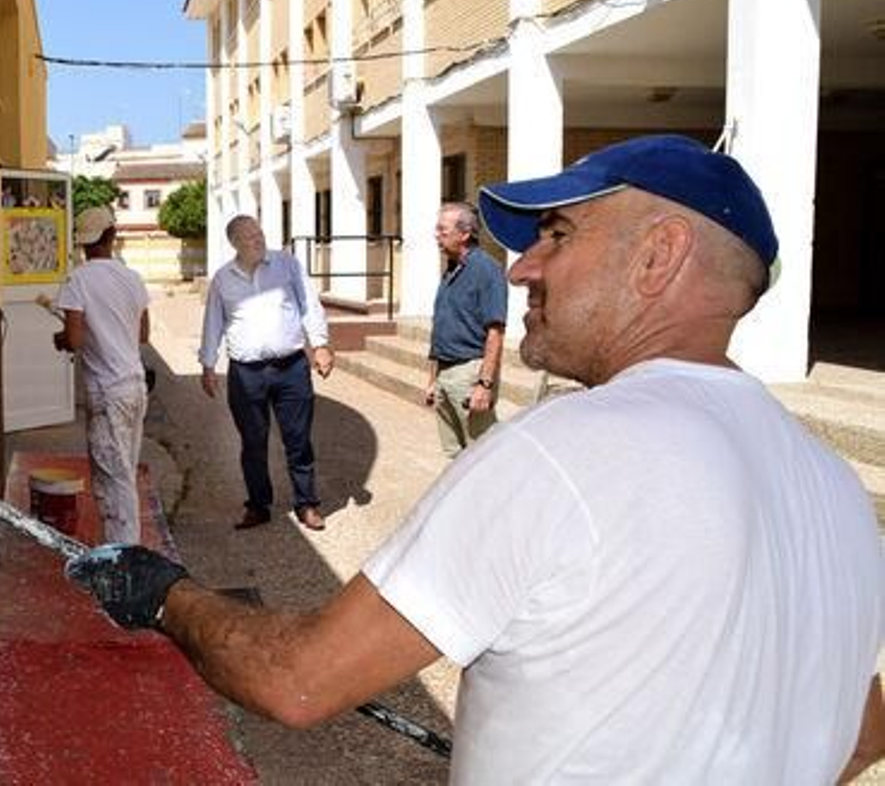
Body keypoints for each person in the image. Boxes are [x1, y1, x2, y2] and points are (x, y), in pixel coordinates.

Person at [68, 135, 885, 782]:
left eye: (558, 235)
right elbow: (863, 725)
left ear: (659, 255)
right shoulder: (834, 486)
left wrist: (166, 595)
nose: (524, 266)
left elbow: (299, 678)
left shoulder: (566, 449)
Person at [198, 214, 336, 532]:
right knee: (253, 442)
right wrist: (208, 365)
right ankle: (258, 505)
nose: (258, 240)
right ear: (234, 244)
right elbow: (213, 323)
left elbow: (309, 305)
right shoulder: (223, 279)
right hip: (246, 373)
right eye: (249, 237)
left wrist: (321, 345)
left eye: (259, 233)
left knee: (298, 439)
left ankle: (307, 504)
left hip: (291, 368)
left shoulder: (286, 264)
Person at [52, 205, 151, 545]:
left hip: (107, 394)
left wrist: (62, 338)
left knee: (115, 479)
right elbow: (143, 334)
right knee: (122, 472)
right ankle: (119, 548)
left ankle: (125, 559)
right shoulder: (132, 277)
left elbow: (75, 340)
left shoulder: (78, 280)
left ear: (83, 243)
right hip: (135, 387)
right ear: (112, 236)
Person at [425, 202, 508, 457]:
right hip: (445, 373)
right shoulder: (451, 270)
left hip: (469, 372)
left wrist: (484, 384)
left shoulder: (486, 270)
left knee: (482, 454)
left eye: (443, 230)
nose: (436, 235)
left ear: (465, 234)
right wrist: (432, 380)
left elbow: (496, 331)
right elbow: (440, 325)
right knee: (455, 455)